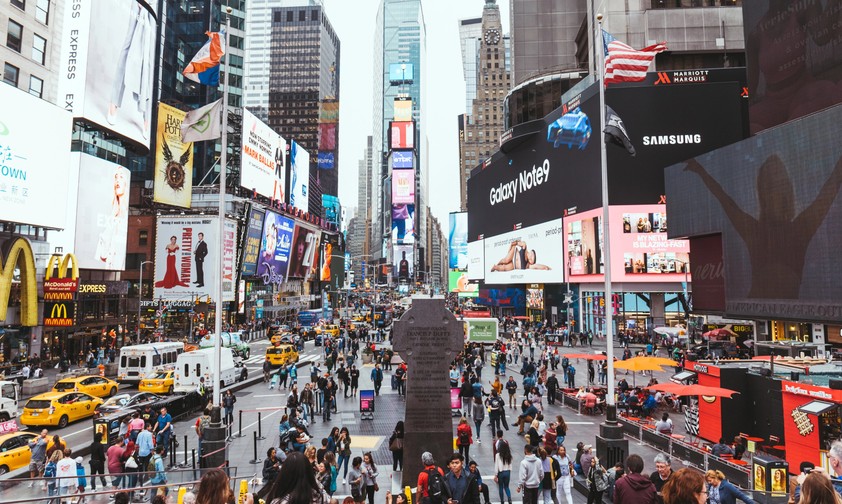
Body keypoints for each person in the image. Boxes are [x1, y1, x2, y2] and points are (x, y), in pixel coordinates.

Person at [495, 440, 514, 504]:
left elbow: (496, 465)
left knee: (501, 487)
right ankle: (509, 498)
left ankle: (502, 501)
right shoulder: (509, 455)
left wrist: (495, 474)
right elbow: (510, 464)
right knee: (506, 486)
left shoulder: (498, 455)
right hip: (507, 472)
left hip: (501, 472)